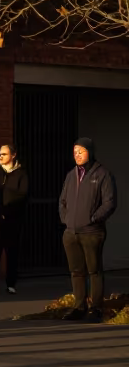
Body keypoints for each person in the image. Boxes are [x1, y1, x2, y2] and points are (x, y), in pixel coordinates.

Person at [59, 137, 117, 322]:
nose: (77, 155)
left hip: (92, 232)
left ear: (89, 152)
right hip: (71, 232)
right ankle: (79, 307)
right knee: (76, 271)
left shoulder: (102, 174)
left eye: (81, 151)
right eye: (75, 152)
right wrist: (66, 220)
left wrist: (93, 219)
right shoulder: (71, 175)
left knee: (94, 270)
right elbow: (63, 201)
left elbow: (109, 202)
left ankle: (96, 308)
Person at [0, 144, 28, 294]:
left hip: (13, 221)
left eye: (4, 154)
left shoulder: (21, 174)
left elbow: (22, 195)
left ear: (13, 155)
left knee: (12, 252)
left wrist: (8, 211)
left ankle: (11, 283)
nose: (0, 156)